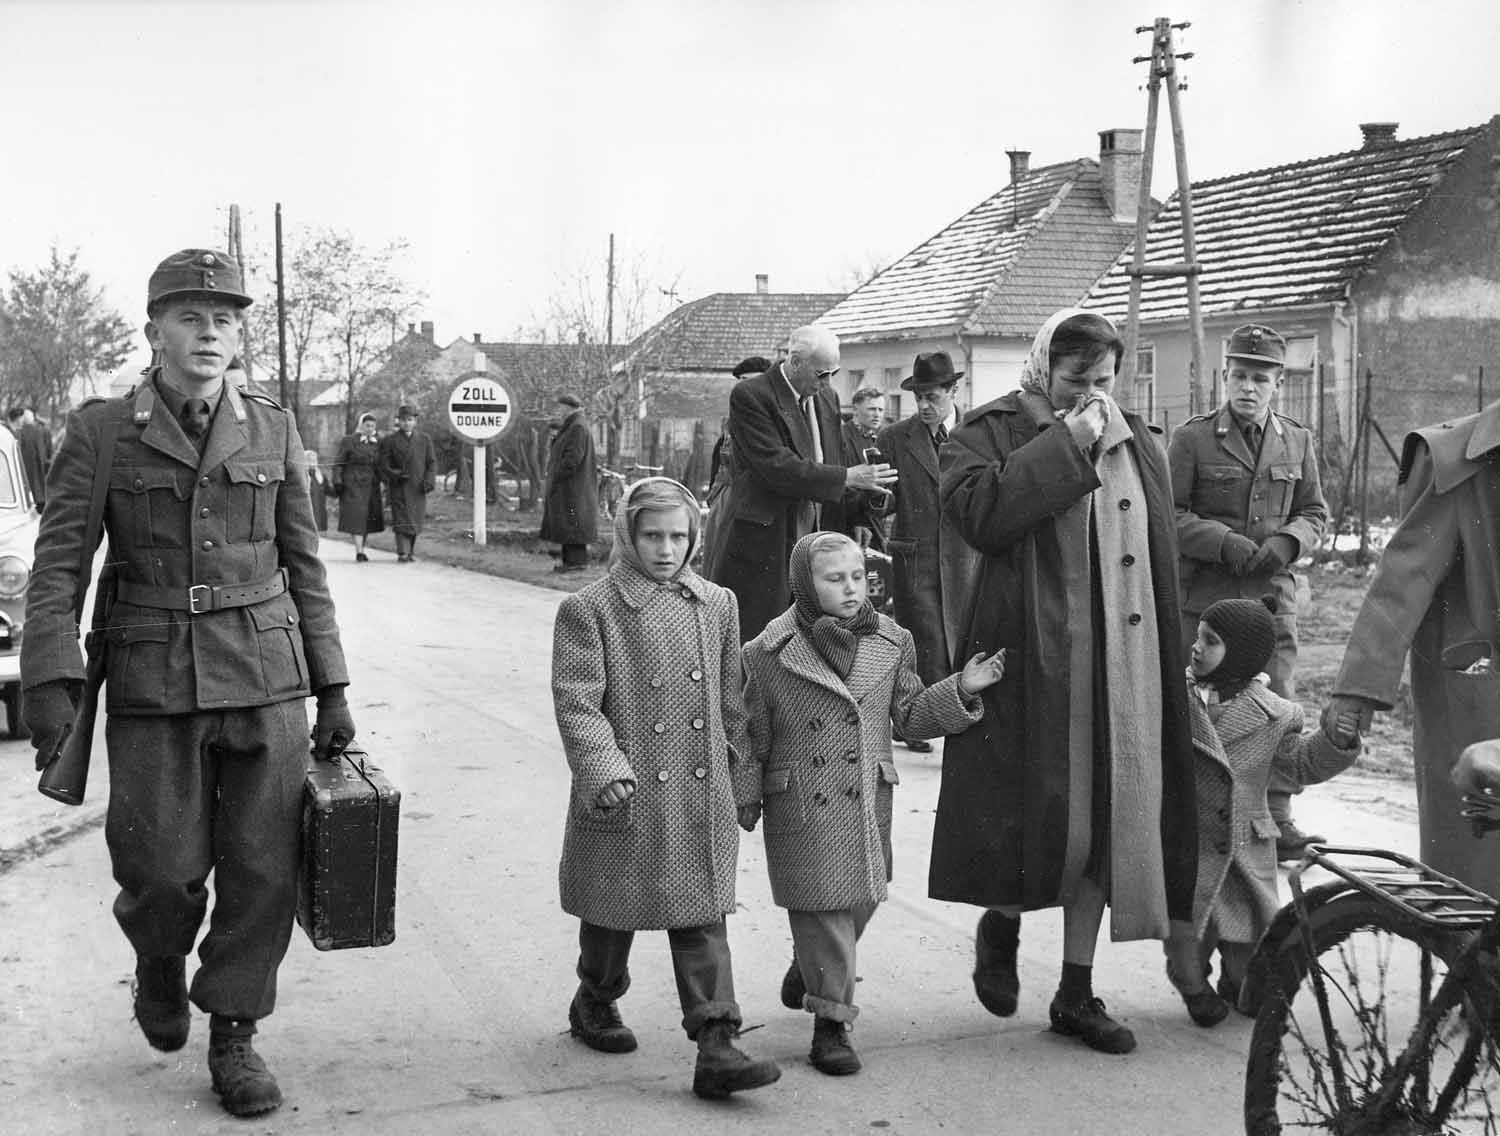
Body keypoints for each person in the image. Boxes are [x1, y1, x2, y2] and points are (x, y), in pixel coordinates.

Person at [20, 248, 354, 1118]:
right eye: (191, 317)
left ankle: (235, 1030)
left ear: (239, 338)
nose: (210, 333)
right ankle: (160, 961)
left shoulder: (272, 426)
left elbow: (305, 566)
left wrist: (333, 687)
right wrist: (50, 676)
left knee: (264, 871)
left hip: (266, 674)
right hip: (153, 675)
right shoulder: (102, 431)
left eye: (226, 320)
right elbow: (59, 564)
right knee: (161, 869)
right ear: (155, 332)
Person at [932, 307, 1197, 1055]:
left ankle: (1076, 991)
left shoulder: (1138, 437)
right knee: (1033, 814)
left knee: (1109, 819)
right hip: (1029, 660)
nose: (1092, 394)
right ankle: (1002, 922)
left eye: (1104, 380)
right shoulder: (987, 431)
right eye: (1076, 379)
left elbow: (1158, 551)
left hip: (1120, 662)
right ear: (1044, 368)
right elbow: (982, 517)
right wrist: (1066, 442)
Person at [550, 477, 780, 1100]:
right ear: (629, 535)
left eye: (679, 536)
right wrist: (603, 767)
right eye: (652, 535)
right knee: (612, 912)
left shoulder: (717, 604)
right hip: (626, 790)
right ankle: (595, 997)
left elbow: (732, 702)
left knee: (701, 913)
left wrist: (744, 779)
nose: (666, 549)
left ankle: (717, 1042)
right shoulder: (590, 609)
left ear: (695, 536)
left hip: (699, 791)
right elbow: (577, 702)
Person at [740, 531, 998, 1075]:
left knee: (862, 896)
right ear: (804, 583)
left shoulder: (893, 640)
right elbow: (752, 732)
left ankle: (810, 966)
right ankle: (831, 1026)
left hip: (865, 797)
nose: (851, 588)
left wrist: (961, 688)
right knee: (824, 910)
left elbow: (909, 715)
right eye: (834, 579)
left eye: (858, 576)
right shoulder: (766, 652)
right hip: (801, 801)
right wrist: (745, 796)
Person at [1326, 396, 1500, 897]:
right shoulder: (1459, 459)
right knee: (1473, 888)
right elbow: (1404, 578)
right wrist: (1358, 688)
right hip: (1480, 697)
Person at [1168, 323, 1330, 861]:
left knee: (1276, 704)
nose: (1248, 387)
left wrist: (1288, 542)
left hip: (1270, 598)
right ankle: (1188, 819)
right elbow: (1168, 514)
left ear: (1278, 383)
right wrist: (1223, 542)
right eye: (1239, 375)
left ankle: (1277, 819)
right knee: (1201, 706)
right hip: (1208, 599)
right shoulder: (1192, 439)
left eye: (1260, 378)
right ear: (1225, 377)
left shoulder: (1297, 440)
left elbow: (1315, 510)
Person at [1166, 596, 1359, 1027]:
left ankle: (1237, 980)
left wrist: (1335, 741)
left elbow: (1301, 762)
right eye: (1198, 637)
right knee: (1188, 939)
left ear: (1241, 654)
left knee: (1250, 943)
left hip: (1242, 845)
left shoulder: (1276, 714)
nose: (1196, 647)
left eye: (1210, 641)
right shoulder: (1173, 698)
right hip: (1188, 843)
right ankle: (1193, 986)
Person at [710, 325, 896, 642]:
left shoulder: (827, 397)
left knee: (814, 641)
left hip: (817, 540)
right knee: (761, 640)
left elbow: (833, 461)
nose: (827, 382)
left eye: (833, 373)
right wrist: (849, 477)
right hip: (768, 542)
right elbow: (776, 467)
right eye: (821, 374)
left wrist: (857, 513)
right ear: (795, 362)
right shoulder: (752, 395)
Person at [876, 353, 973, 753]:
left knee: (964, 638)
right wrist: (873, 494)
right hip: (917, 556)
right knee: (923, 641)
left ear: (953, 390)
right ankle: (914, 721)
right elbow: (883, 502)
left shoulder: (977, 431)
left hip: (967, 556)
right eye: (918, 398)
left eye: (932, 396)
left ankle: (957, 718)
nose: (924, 405)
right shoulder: (894, 438)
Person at [701, 355, 772, 581]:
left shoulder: (774, 418)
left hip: (759, 503)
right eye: (742, 382)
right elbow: (720, 457)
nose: (745, 389)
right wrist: (716, 496)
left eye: (751, 381)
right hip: (727, 496)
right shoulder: (733, 418)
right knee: (718, 561)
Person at [540, 393, 599, 573]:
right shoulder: (573, 425)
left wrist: (557, 475)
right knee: (569, 525)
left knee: (573, 525)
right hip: (570, 486)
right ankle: (569, 563)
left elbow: (573, 458)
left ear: (568, 407)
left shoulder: (577, 427)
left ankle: (576, 564)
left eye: (561, 406)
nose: (559, 410)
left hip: (573, 487)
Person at [377, 403, 437, 563]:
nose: (406, 423)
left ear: (415, 421)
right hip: (399, 486)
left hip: (418, 486)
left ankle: (410, 552)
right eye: (403, 420)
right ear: (398, 421)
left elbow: (431, 463)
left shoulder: (424, 439)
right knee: (401, 518)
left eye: (410, 420)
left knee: (415, 519)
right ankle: (402, 552)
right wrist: (396, 474)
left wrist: (429, 481)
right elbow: (383, 464)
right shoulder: (390, 440)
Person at [837, 385, 889, 549]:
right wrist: (857, 520)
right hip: (849, 524)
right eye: (872, 409)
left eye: (880, 410)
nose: (877, 414)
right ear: (855, 410)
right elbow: (840, 481)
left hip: (874, 521)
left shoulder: (879, 439)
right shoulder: (841, 437)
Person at [332, 412, 384, 561]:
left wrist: (384, 481)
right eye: (367, 425)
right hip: (352, 483)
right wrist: (337, 481)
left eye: (372, 426)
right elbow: (339, 462)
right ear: (361, 426)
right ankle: (359, 551)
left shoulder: (378, 443)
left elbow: (381, 464)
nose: (370, 428)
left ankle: (361, 549)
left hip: (371, 484)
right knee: (356, 516)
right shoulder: (349, 441)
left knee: (366, 517)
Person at [8, 405, 53, 509]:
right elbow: (48, 455)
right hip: (40, 486)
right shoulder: (42, 431)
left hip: (24, 486)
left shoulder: (19, 433)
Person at [304, 448, 329, 532]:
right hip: (308, 510)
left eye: (314, 460)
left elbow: (329, 491)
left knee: (317, 532)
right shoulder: (303, 475)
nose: (313, 462)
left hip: (319, 510)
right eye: (310, 460)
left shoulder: (320, 476)